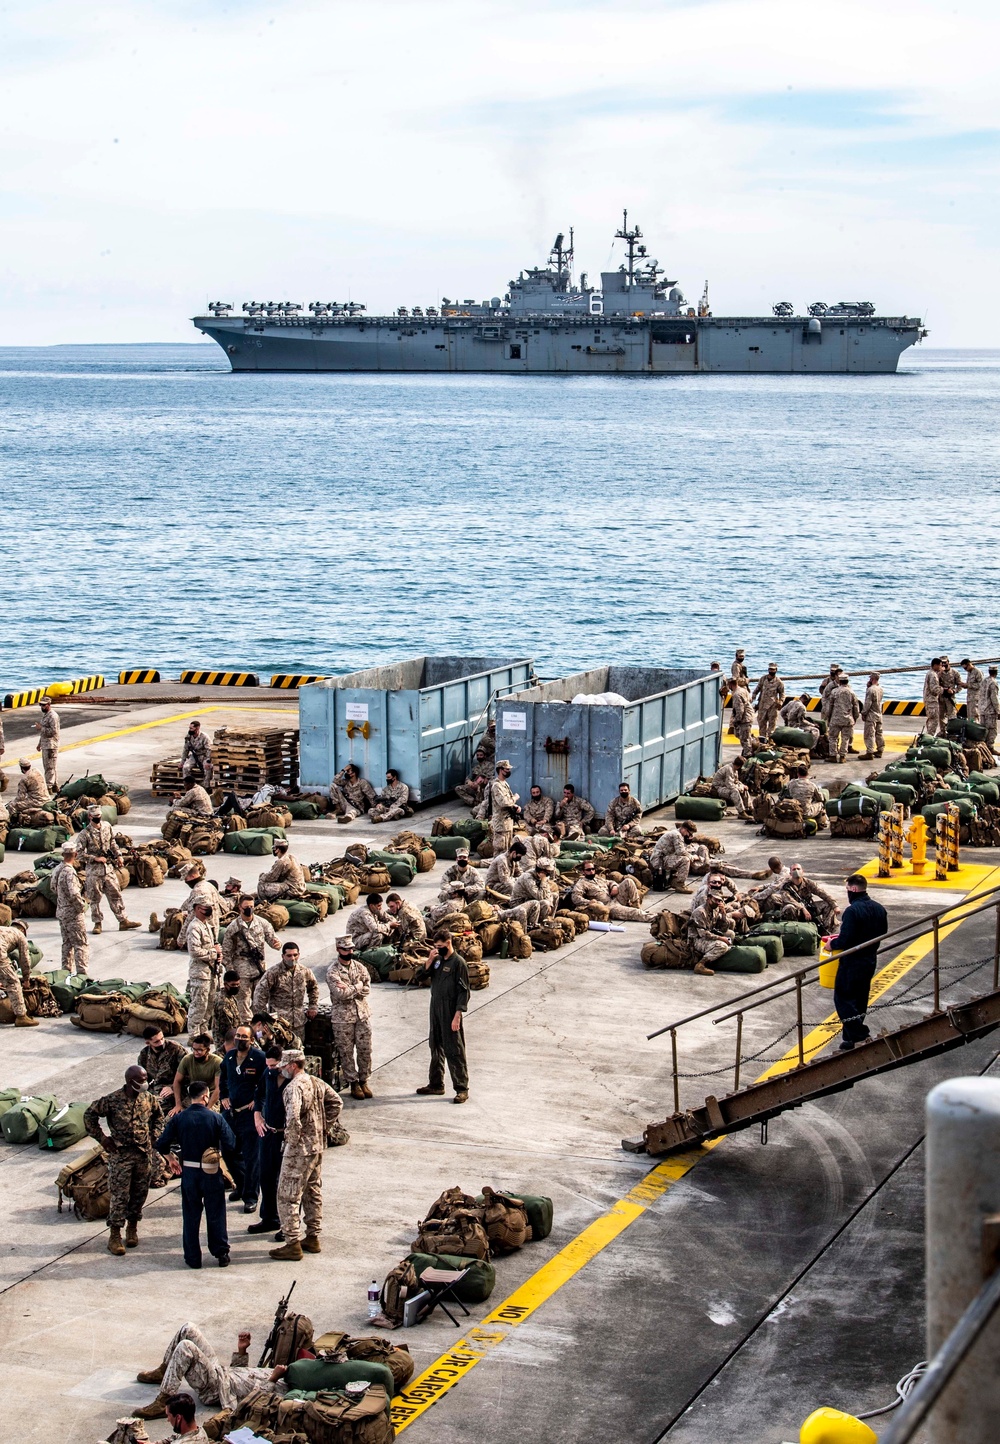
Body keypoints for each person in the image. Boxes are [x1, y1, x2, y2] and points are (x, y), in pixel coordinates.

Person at [270, 1050, 343, 1261]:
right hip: (316, 1147)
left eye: (284, 1065)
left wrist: (292, 1142)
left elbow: (293, 1117)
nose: (281, 1069)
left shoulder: (293, 1088)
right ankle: (313, 1236)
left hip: (299, 1151)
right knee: (312, 1192)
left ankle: (292, 1242)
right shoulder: (315, 1082)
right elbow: (336, 1102)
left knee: (287, 1195)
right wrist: (323, 1128)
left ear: (293, 1065)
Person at [84, 1064, 164, 1256]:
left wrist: (154, 1136)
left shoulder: (148, 1099)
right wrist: (103, 1139)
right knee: (120, 1196)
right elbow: (89, 1115)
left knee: (139, 1194)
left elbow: (159, 1118)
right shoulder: (112, 1100)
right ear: (130, 1082)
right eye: (142, 1080)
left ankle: (132, 1228)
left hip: (143, 1155)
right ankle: (114, 1235)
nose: (145, 1083)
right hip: (121, 1156)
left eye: (146, 1079)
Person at [157, 1079, 237, 1269]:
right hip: (211, 1172)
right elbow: (231, 1144)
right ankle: (221, 1253)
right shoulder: (215, 1118)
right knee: (216, 1212)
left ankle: (193, 1257)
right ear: (205, 1096)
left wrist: (171, 1159)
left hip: (190, 1173)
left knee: (191, 1215)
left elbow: (161, 1144)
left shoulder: (179, 1118)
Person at [134, 1330, 286, 1421]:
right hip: (222, 1371)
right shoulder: (283, 1373)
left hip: (216, 1389)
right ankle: (164, 1371)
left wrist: (272, 1379)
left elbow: (255, 1401)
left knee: (186, 1348)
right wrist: (241, 1351)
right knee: (188, 1329)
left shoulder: (286, 1390)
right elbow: (242, 1377)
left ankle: (164, 1401)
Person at [828, 874, 888, 1050]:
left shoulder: (852, 911)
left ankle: (860, 1034)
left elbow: (845, 939)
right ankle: (849, 1038)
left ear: (853, 889)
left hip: (852, 961)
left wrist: (834, 944)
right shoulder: (879, 909)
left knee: (843, 998)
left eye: (847, 890)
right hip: (870, 959)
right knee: (860, 999)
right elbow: (883, 931)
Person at [416, 930, 470, 1104]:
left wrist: (457, 1016)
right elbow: (420, 976)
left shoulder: (458, 963)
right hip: (436, 1008)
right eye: (435, 947)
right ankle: (436, 1083)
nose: (437, 949)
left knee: (454, 1049)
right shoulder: (438, 960)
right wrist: (430, 959)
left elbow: (464, 992)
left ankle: (462, 1088)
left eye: (440, 946)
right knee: (435, 1045)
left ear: (448, 943)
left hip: (450, 1010)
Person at [220, 1024, 267, 1214]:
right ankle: (240, 1185)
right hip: (231, 1114)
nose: (240, 1039)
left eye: (244, 1037)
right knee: (229, 1152)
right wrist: (224, 1095)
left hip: (250, 1115)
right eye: (238, 1036)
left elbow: (266, 1083)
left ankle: (250, 1196)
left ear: (251, 1040)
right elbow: (223, 1077)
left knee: (251, 1158)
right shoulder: (229, 1057)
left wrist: (257, 1103)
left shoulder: (259, 1058)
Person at [76, 803, 140, 934]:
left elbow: (112, 843)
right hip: (94, 871)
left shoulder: (107, 827)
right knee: (94, 898)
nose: (97, 818)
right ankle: (97, 923)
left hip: (108, 869)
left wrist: (119, 856)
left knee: (115, 894)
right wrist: (94, 858)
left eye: (99, 816)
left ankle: (123, 921)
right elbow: (79, 854)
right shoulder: (85, 834)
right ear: (89, 816)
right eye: (95, 816)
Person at [248, 1044, 289, 1236]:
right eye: (268, 1065)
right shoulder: (269, 1074)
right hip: (268, 1133)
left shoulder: (295, 1081)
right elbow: (259, 1094)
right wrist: (257, 1115)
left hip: (287, 1136)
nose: (271, 1069)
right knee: (266, 1177)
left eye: (274, 1066)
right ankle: (269, 1217)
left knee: (286, 1181)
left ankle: (288, 1224)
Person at [327, 935, 373, 1100]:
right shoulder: (333, 971)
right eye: (346, 949)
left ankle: (363, 1079)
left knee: (365, 1049)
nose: (349, 951)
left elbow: (368, 987)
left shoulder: (359, 967)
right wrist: (358, 986)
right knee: (346, 1052)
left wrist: (352, 988)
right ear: (338, 949)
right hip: (342, 1018)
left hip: (362, 1015)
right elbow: (340, 994)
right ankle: (353, 1082)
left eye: (351, 948)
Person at [222, 896, 281, 1021]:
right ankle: (246, 1028)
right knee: (242, 1003)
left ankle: (259, 1027)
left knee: (260, 1001)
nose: (249, 909)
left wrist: (277, 944)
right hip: (241, 971)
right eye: (246, 907)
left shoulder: (262, 923)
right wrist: (231, 972)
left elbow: (272, 939)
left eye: (251, 907)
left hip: (259, 969)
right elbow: (226, 953)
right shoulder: (233, 927)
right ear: (240, 908)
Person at [252, 942, 319, 1045]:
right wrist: (265, 1019)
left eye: (295, 955)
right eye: (289, 955)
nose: (292, 958)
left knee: (298, 1052)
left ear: (299, 955)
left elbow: (313, 987)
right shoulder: (273, 973)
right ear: (283, 956)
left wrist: (313, 1006)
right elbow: (259, 995)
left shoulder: (304, 972)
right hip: (279, 1024)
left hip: (298, 1023)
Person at [180, 900, 223, 1035]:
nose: (210, 910)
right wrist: (214, 953)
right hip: (200, 973)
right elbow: (194, 951)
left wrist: (218, 955)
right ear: (198, 909)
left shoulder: (206, 925)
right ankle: (193, 1034)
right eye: (207, 908)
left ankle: (203, 1032)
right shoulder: (194, 927)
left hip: (210, 972)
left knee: (209, 1004)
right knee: (199, 1004)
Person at [51, 839, 90, 975]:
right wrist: (81, 907)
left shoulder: (57, 869)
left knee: (67, 944)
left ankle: (65, 972)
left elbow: (52, 888)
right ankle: (82, 974)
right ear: (75, 854)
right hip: (73, 914)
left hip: (61, 911)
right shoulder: (70, 872)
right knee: (80, 944)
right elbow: (74, 893)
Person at [571, 860, 652, 922]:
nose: (591, 871)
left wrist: (614, 886)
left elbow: (610, 882)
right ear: (583, 871)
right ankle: (655, 918)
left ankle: (636, 905)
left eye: (593, 869)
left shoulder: (598, 878)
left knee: (628, 881)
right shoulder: (581, 883)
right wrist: (589, 902)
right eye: (588, 870)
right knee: (635, 913)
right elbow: (575, 897)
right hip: (609, 906)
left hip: (615, 899)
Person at [687, 881, 734, 975]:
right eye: (715, 900)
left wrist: (724, 914)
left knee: (731, 934)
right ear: (708, 898)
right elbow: (702, 933)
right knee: (722, 945)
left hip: (709, 934)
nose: (718, 903)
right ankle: (700, 965)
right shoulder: (700, 912)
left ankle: (714, 955)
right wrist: (721, 938)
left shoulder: (715, 909)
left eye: (720, 901)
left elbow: (724, 928)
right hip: (697, 940)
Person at [0, 919, 39, 1027]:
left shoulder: (4, 929)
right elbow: (25, 960)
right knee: (13, 982)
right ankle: (21, 1017)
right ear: (23, 930)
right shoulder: (20, 935)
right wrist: (26, 979)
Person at [780, 862, 839, 932]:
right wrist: (802, 908)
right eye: (794, 869)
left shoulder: (808, 883)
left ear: (802, 872)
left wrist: (835, 905)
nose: (796, 871)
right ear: (790, 873)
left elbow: (823, 893)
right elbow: (787, 899)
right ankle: (794, 932)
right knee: (789, 907)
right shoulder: (786, 885)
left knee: (828, 905)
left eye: (798, 869)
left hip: (809, 908)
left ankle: (827, 931)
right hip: (795, 910)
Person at [648, 820, 703, 893]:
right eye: (689, 833)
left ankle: (674, 880)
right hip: (659, 861)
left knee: (681, 858)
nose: (688, 836)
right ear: (684, 829)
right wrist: (693, 857)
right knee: (685, 860)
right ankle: (680, 885)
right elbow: (680, 851)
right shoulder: (677, 835)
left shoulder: (677, 833)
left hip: (662, 858)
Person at [173, 1034, 222, 1113]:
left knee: (207, 1118)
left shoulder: (217, 1062)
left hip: (210, 1097)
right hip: (193, 1096)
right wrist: (178, 1105)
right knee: (173, 1118)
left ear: (208, 1050)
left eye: (199, 1050)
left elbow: (218, 1088)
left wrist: (208, 1108)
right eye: (194, 1049)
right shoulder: (187, 1059)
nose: (196, 1053)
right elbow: (177, 1081)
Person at [138, 1027, 187, 1106]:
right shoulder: (144, 1054)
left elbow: (189, 1073)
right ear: (148, 1043)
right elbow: (143, 1078)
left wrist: (172, 1087)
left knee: (156, 1105)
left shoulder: (176, 1049)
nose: (161, 1043)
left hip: (176, 1088)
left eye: (162, 1038)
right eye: (156, 1041)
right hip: (155, 1088)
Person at [510, 856, 559, 926]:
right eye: (547, 873)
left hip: (531, 899)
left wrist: (550, 904)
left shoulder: (542, 877)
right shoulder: (528, 877)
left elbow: (547, 893)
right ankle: (535, 925)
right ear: (542, 871)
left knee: (555, 896)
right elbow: (540, 896)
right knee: (544, 903)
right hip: (519, 903)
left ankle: (549, 920)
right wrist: (543, 882)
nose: (548, 875)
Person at [487, 759, 521, 854]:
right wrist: (515, 798)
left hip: (507, 823)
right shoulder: (496, 785)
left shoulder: (504, 784)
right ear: (500, 770)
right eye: (507, 769)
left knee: (508, 850)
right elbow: (503, 802)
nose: (509, 771)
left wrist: (515, 806)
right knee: (500, 851)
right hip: (500, 824)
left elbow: (507, 801)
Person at [828, 674, 861, 764]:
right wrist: (854, 718)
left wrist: (829, 717)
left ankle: (833, 755)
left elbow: (830, 706)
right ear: (847, 681)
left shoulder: (834, 691)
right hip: (847, 719)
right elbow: (856, 707)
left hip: (835, 718)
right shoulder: (851, 692)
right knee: (845, 738)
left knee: (833, 738)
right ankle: (842, 756)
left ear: (840, 681)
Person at [752, 664, 785, 744]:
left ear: (776, 670)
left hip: (772, 707)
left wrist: (780, 702)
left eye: (773, 670)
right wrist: (753, 698)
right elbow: (757, 689)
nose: (771, 671)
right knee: (762, 725)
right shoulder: (763, 679)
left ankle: (770, 742)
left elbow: (782, 693)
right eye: (770, 669)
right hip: (762, 706)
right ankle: (762, 742)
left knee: (771, 726)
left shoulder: (779, 682)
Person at [212, 971, 245, 1051]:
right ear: (225, 984)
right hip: (227, 1041)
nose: (236, 987)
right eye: (233, 985)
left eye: (238, 984)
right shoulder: (223, 1003)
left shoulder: (230, 997)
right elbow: (227, 1028)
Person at [33, 697, 60, 791]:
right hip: (46, 744)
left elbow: (53, 731)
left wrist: (40, 728)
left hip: (51, 745)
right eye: (41, 705)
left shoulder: (52, 716)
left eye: (44, 705)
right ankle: (55, 785)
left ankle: (49, 786)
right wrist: (39, 743)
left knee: (49, 767)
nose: (42, 707)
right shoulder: (46, 715)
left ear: (49, 705)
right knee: (51, 766)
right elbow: (44, 733)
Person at [860, 673, 885, 760]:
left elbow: (868, 704)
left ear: (873, 678)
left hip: (871, 715)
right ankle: (880, 750)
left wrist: (863, 713)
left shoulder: (871, 690)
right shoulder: (880, 689)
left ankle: (869, 752)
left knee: (869, 734)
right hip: (879, 713)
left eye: (870, 678)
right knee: (879, 733)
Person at [729, 679, 757, 757]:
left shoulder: (736, 695)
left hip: (745, 718)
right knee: (742, 735)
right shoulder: (743, 690)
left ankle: (747, 755)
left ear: (731, 685)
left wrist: (736, 721)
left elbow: (740, 710)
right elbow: (750, 700)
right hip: (749, 715)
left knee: (744, 739)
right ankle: (752, 746)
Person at [181, 720, 213, 786]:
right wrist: (182, 761)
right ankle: (188, 785)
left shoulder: (204, 737)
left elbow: (209, 749)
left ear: (197, 728)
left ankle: (206, 786)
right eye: (189, 728)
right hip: (194, 756)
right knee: (185, 767)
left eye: (191, 728)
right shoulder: (189, 737)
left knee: (208, 768)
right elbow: (186, 749)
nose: (190, 730)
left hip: (204, 756)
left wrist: (208, 761)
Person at [923, 658, 943, 738]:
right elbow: (934, 689)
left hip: (928, 700)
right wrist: (943, 690)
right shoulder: (933, 675)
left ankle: (927, 737)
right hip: (932, 701)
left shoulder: (930, 673)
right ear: (935, 665)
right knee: (934, 720)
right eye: (940, 665)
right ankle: (929, 738)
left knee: (930, 719)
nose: (941, 667)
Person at [939, 656, 961, 726]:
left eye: (945, 662)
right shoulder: (938, 673)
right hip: (941, 698)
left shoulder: (955, 672)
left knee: (952, 716)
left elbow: (959, 685)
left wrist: (953, 691)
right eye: (941, 663)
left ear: (948, 662)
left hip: (950, 698)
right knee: (941, 716)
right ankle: (942, 732)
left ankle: (951, 732)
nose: (943, 664)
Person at [960, 658, 984, 723]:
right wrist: (964, 685)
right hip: (970, 697)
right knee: (970, 715)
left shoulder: (977, 672)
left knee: (975, 714)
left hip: (976, 697)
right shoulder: (969, 672)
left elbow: (981, 685)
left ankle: (976, 729)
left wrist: (968, 685)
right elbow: (969, 684)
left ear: (969, 664)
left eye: (965, 668)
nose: (965, 670)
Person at [983, 666, 1000, 753]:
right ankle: (990, 747)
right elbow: (994, 698)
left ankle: (984, 747)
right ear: (996, 673)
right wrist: (998, 711)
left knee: (984, 729)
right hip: (990, 710)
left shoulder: (984, 681)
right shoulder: (993, 683)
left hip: (982, 710)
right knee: (992, 729)